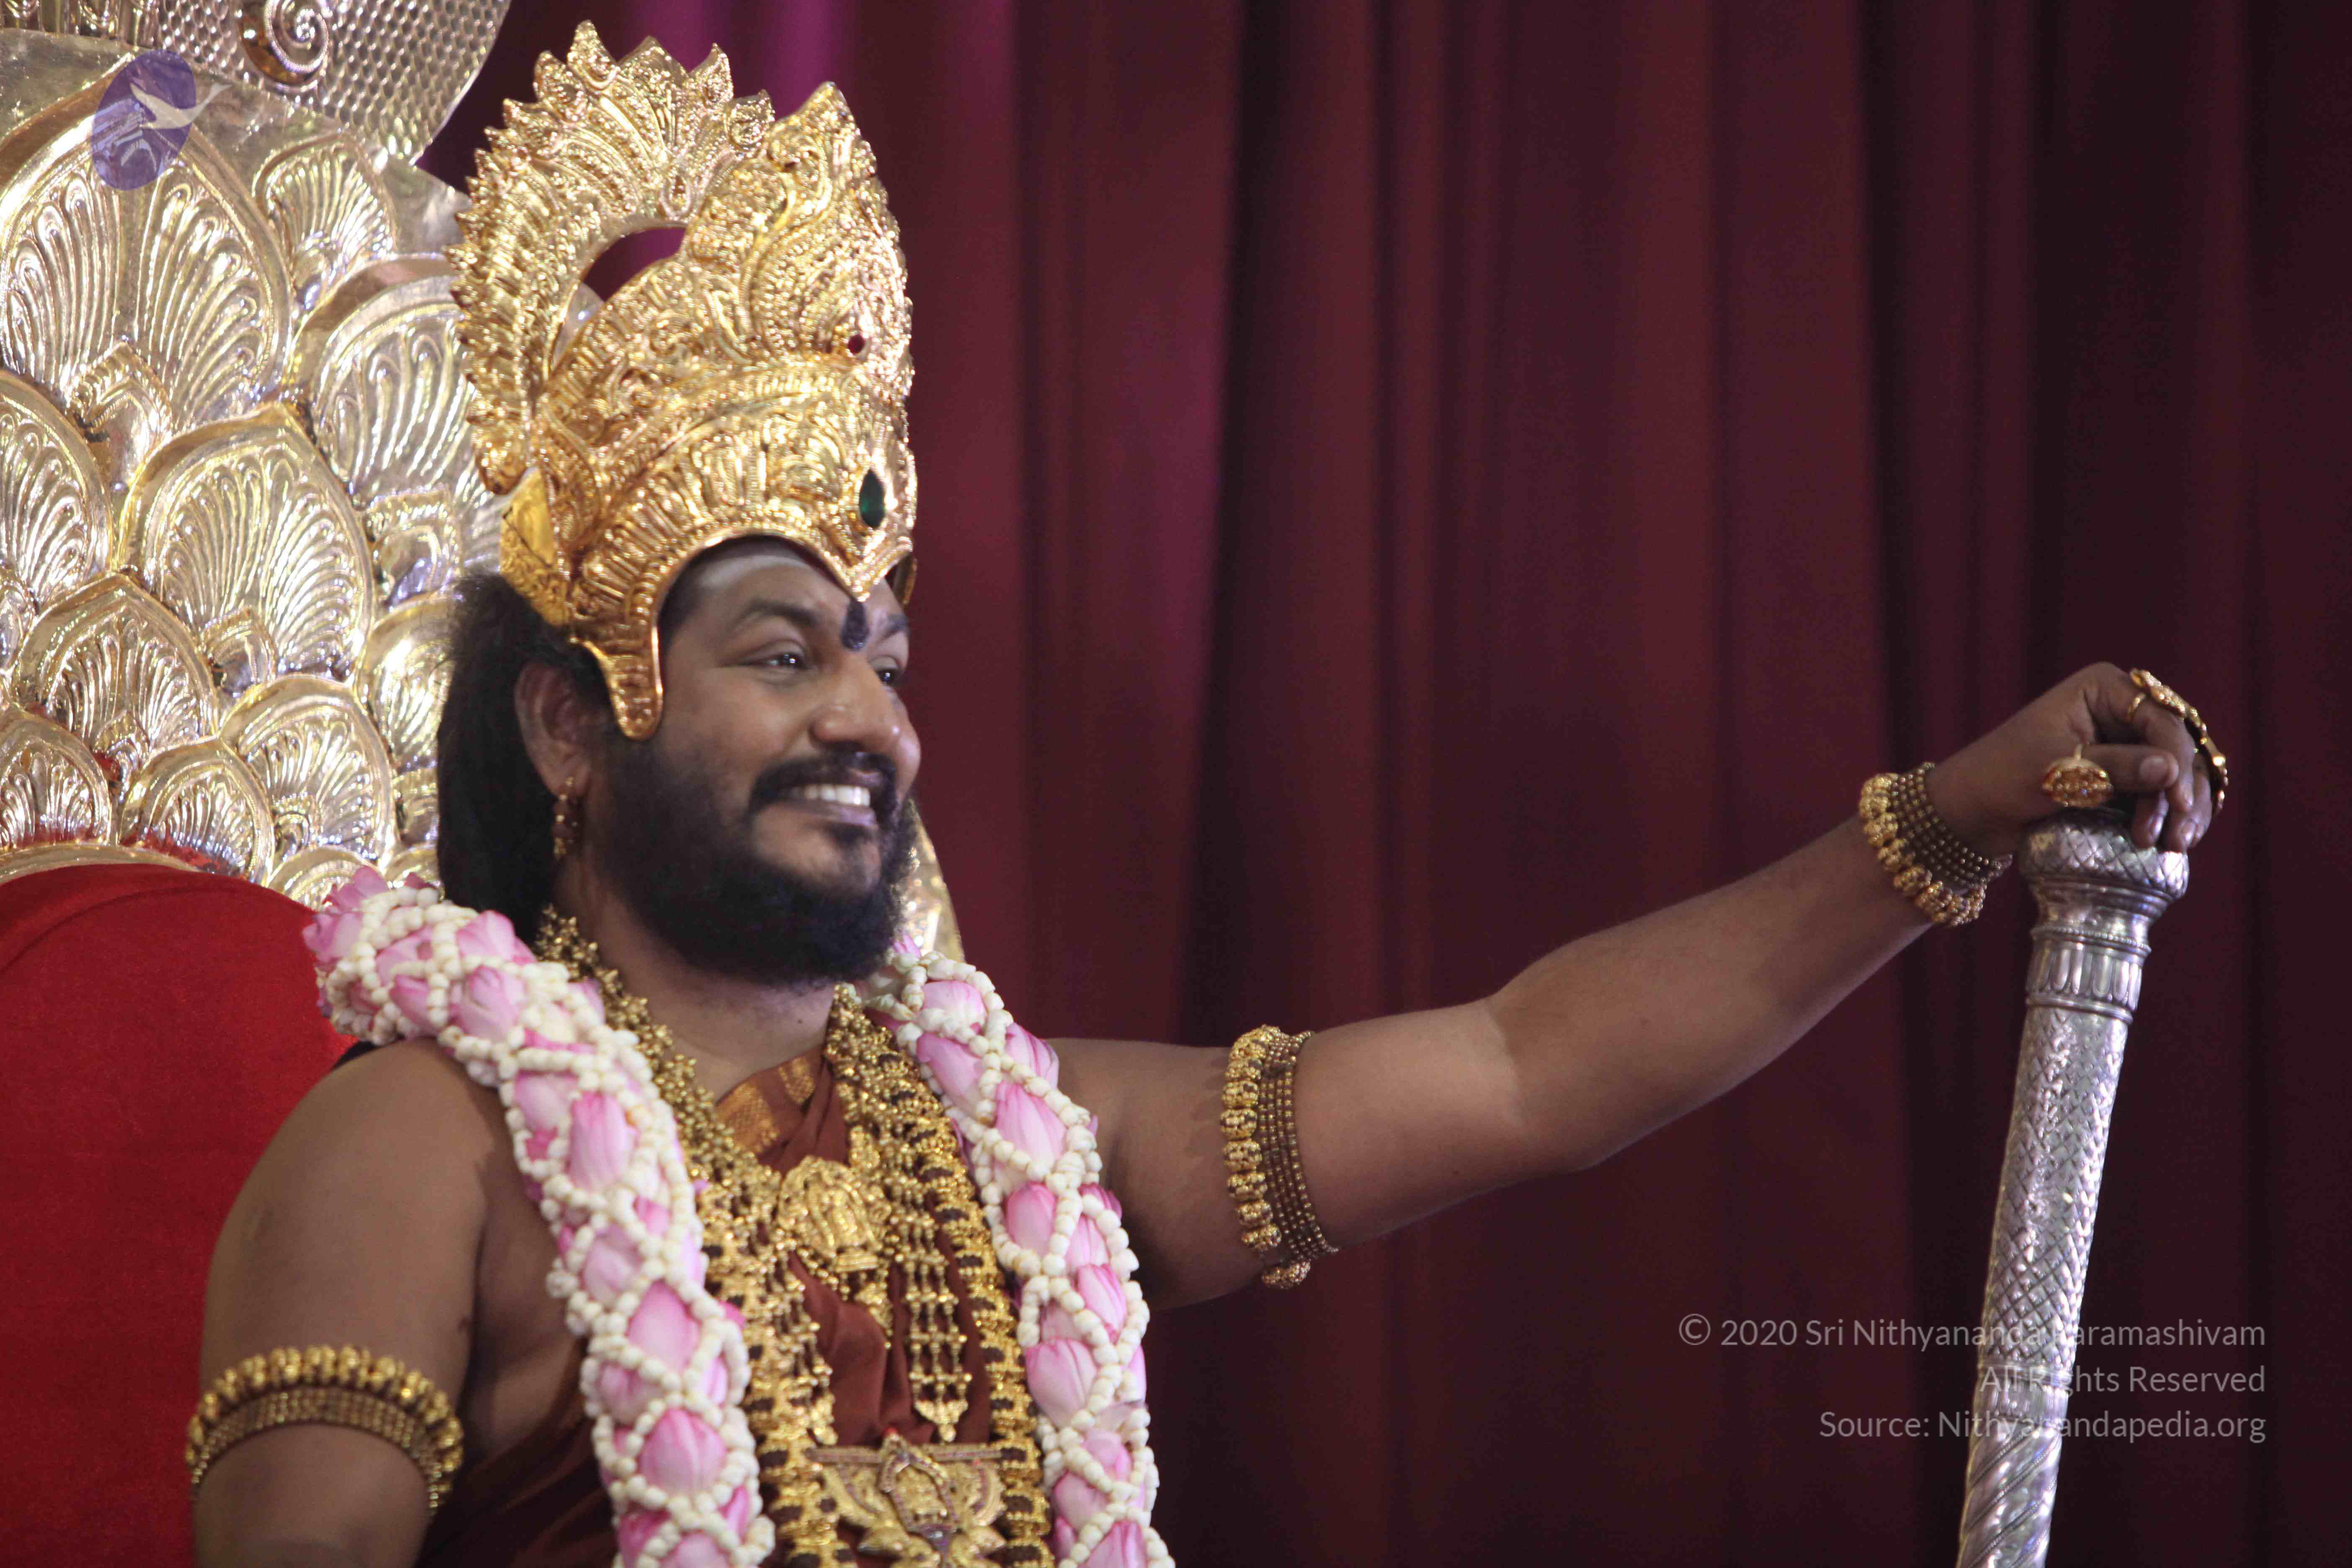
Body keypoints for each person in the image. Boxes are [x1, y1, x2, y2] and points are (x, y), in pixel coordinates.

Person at [188, 26, 2224, 1568]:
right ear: (569, 723)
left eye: (889, 660)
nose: (877, 726)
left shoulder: (1021, 1148)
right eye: (786, 655)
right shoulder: (416, 1151)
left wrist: (1941, 826)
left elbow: (1531, 1069)